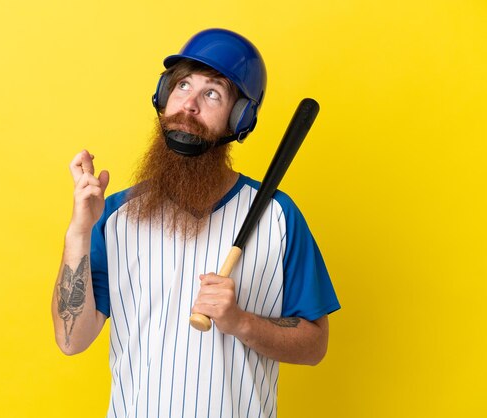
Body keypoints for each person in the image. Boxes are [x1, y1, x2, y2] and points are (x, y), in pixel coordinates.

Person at [51, 28, 340, 418]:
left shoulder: (277, 216)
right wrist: (79, 230)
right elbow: (72, 340)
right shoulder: (113, 216)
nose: (189, 104)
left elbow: (314, 345)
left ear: (240, 119)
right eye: (182, 85)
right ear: (162, 95)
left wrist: (240, 322)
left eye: (212, 94)